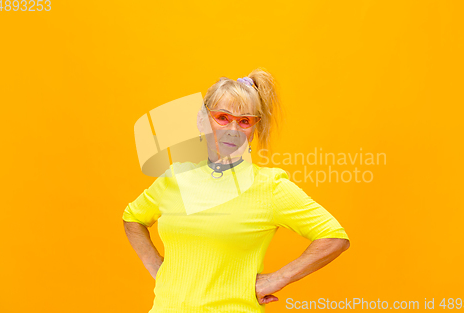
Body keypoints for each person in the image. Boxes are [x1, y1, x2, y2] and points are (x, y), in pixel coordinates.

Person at [122, 67, 351, 313]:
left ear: (253, 130)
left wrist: (278, 278)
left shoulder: (269, 186)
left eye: (244, 121)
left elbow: (334, 237)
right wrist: (156, 267)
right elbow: (133, 218)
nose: (233, 128)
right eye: (222, 117)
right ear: (202, 120)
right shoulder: (176, 176)